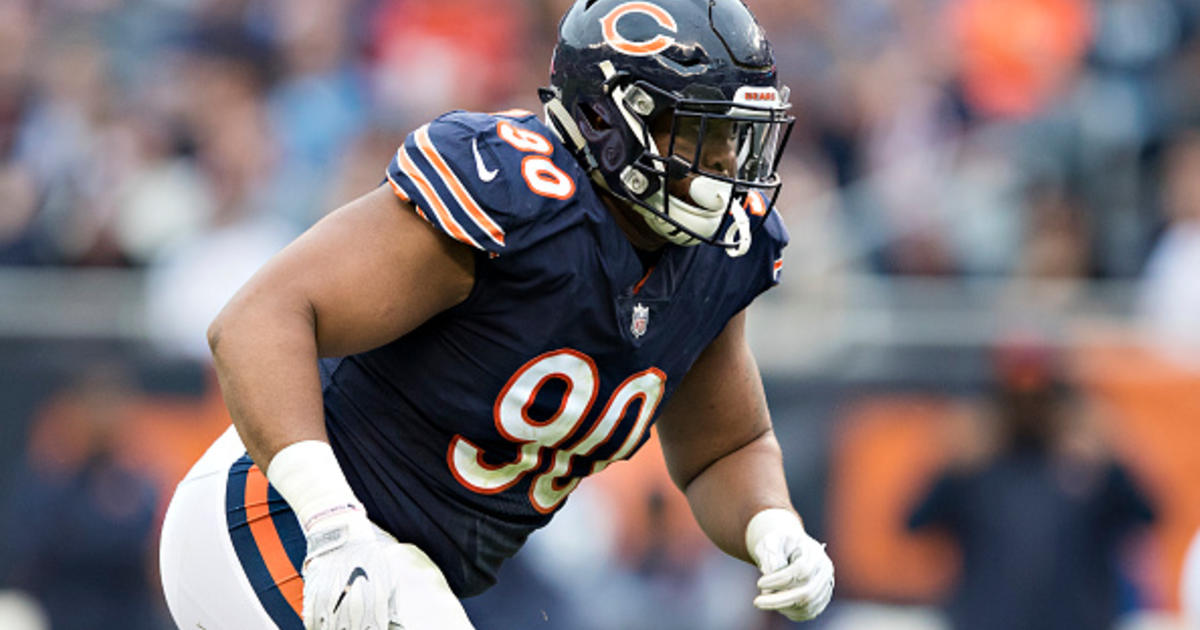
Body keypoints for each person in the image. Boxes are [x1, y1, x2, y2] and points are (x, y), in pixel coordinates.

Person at [158, 1, 835, 628]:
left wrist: (773, 526)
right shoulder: (519, 200)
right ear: (607, 119)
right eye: (698, 133)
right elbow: (258, 318)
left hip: (405, 562)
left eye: (735, 138)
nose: (723, 165)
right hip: (285, 518)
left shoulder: (718, 252)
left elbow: (725, 449)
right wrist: (332, 519)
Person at [907, 337, 1155, 630]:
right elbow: (914, 522)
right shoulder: (976, 467)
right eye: (1016, 396)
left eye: (1040, 397)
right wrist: (951, 462)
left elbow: (1149, 515)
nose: (1028, 408)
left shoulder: (1085, 467)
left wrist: (1109, 457)